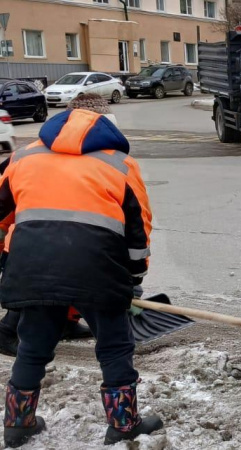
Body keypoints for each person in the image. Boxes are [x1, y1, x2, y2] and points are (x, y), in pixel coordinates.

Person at [0, 94, 162, 447]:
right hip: (100, 271)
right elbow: (138, 232)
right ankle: (123, 424)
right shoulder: (120, 165)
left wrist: (9, 255)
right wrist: (134, 279)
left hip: (32, 268)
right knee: (114, 346)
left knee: (32, 346)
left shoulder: (23, 157)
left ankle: (17, 423)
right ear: (107, 128)